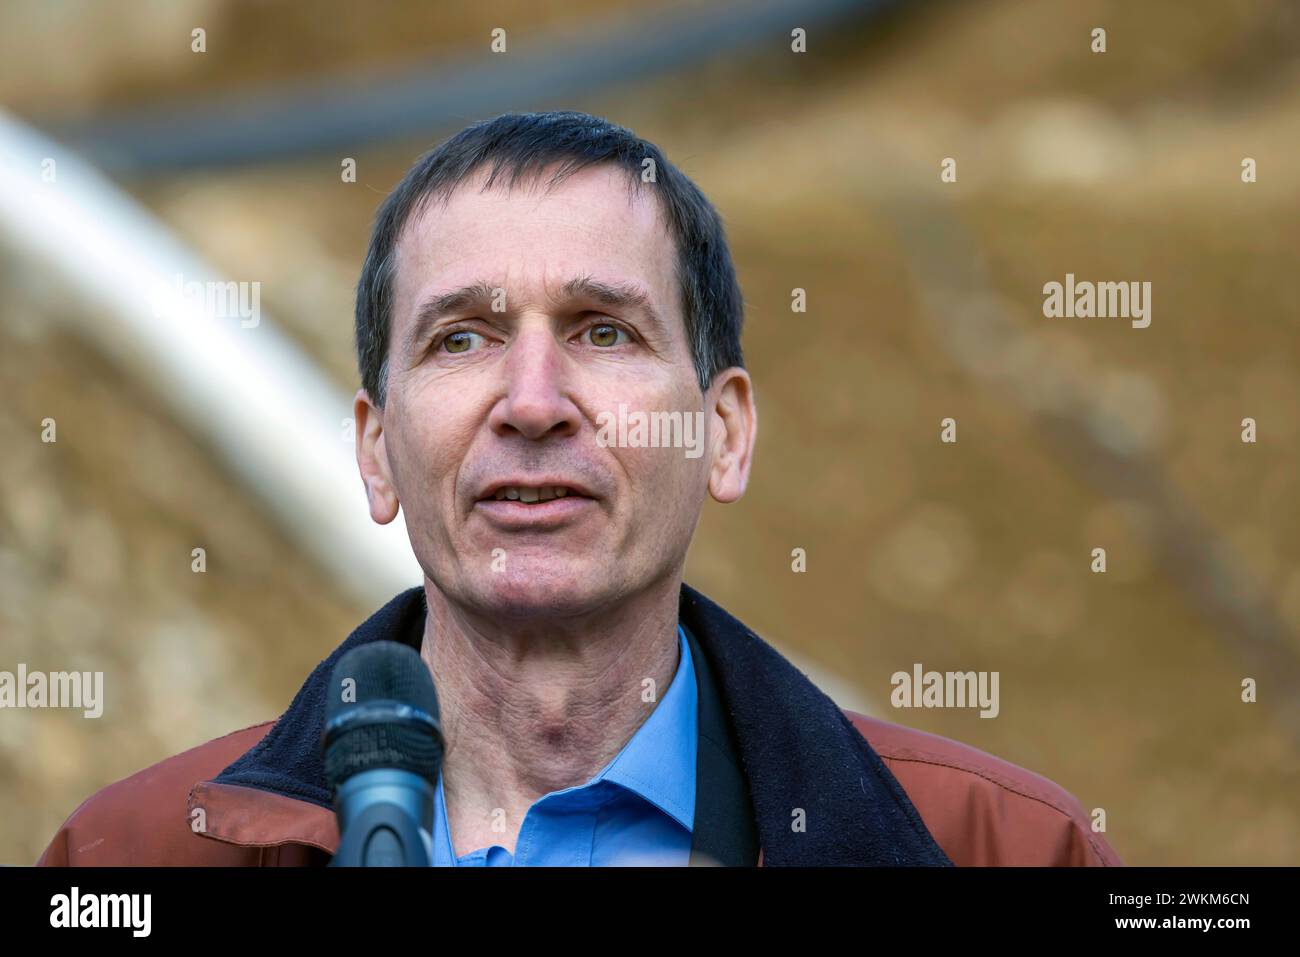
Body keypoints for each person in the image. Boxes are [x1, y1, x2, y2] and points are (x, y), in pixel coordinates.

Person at [38, 111, 1120, 867]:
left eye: (604, 331)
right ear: (375, 451)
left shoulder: (1006, 851)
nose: (533, 401)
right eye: (463, 337)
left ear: (724, 433)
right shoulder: (133, 860)